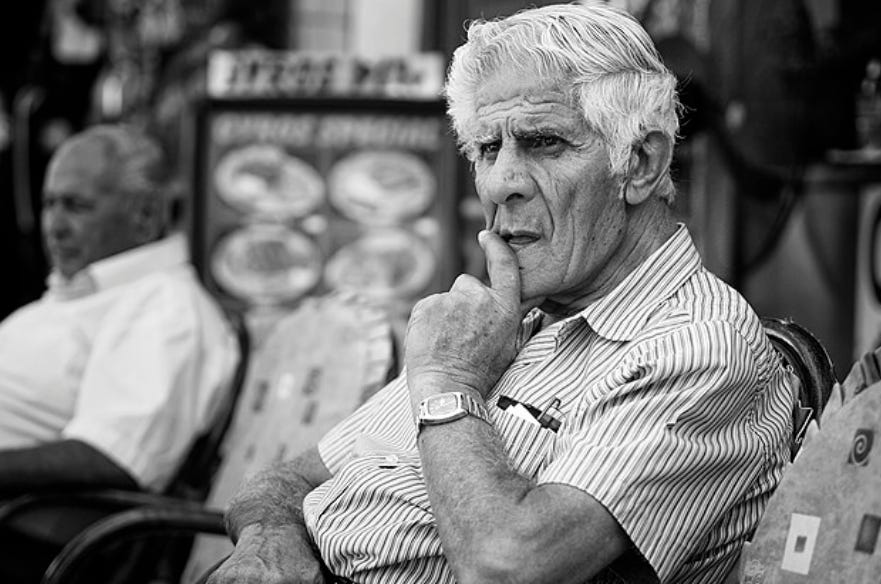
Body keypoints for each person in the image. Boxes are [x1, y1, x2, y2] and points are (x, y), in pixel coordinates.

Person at [210, 4, 795, 584]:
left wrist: (449, 384)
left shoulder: (699, 346)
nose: (500, 183)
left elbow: (508, 567)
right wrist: (269, 542)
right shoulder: (506, 320)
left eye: (544, 143)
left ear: (640, 164)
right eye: (488, 149)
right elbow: (286, 480)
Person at [0, 124, 238, 580]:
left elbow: (114, 455)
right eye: (49, 204)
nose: (54, 226)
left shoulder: (165, 305)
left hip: (30, 538)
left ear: (145, 215)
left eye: (76, 206)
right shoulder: (92, 293)